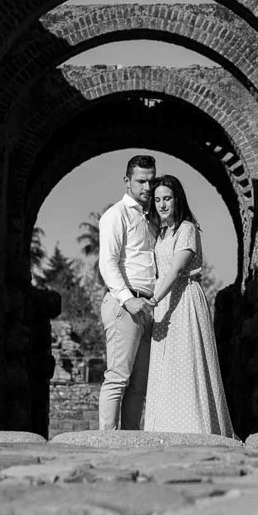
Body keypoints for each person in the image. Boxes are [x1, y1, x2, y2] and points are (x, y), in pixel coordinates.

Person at [144, 175, 234, 436]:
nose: (162, 205)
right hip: (164, 301)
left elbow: (175, 269)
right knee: (165, 366)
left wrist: (153, 300)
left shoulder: (187, 229)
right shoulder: (161, 234)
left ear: (177, 199)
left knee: (186, 364)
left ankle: (193, 427)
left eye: (167, 199)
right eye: (158, 199)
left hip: (183, 301)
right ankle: (162, 427)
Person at [98, 155, 156, 430]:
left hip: (146, 307)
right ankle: (106, 442)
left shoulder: (150, 218)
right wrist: (127, 299)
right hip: (125, 304)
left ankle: (130, 443)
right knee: (118, 377)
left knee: (139, 385)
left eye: (151, 181)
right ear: (127, 181)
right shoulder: (116, 215)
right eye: (141, 181)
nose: (147, 187)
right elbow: (107, 262)